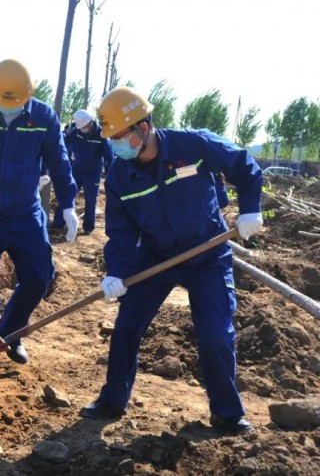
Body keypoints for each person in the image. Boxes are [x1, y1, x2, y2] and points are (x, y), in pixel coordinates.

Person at [79, 86, 264, 435]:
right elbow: (121, 232)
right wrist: (116, 273)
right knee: (126, 327)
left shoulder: (192, 145)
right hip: (155, 256)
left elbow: (243, 165)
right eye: (111, 138)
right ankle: (112, 400)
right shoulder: (119, 175)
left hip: (207, 253)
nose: (115, 145)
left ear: (143, 127)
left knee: (215, 334)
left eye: (119, 136)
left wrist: (250, 210)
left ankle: (227, 414)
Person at [0, 59, 79, 371]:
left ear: (28, 95)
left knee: (39, 276)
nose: (9, 109)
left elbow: (59, 160)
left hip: (25, 213)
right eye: (3, 102)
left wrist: (67, 203)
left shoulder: (44, 117)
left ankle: (10, 332)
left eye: (16, 103)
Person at [52, 109, 114, 235]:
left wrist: (110, 174)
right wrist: (54, 135)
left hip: (93, 173)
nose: (82, 130)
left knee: (91, 199)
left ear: (91, 123)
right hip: (77, 170)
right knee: (67, 194)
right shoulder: (77, 131)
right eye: (81, 127)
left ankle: (88, 227)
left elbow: (109, 157)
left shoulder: (102, 136)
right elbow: (65, 139)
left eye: (84, 127)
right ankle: (58, 223)